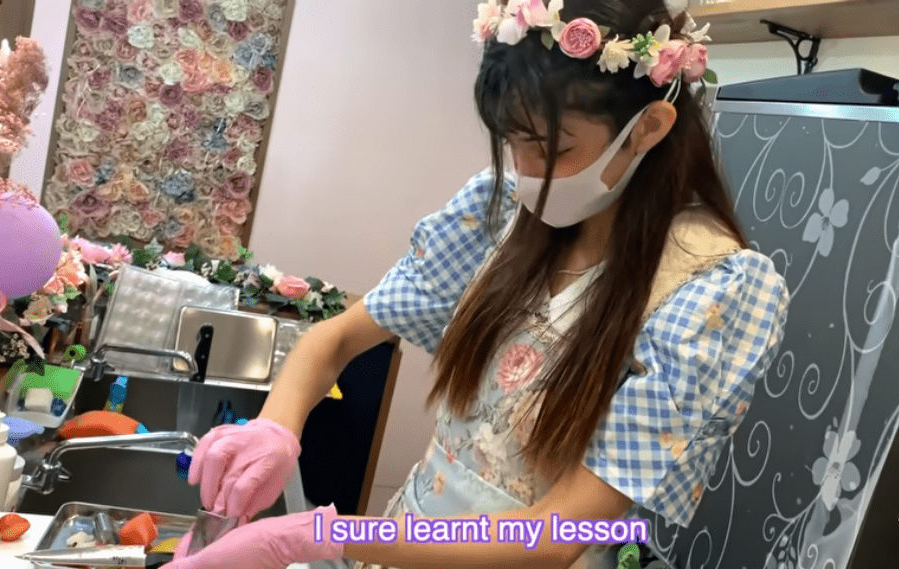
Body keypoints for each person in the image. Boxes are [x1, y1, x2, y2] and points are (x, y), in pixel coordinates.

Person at [165, 0, 790, 567]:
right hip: (403, 543)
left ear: (649, 127)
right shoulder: (497, 212)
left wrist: (317, 536)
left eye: (554, 149)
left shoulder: (714, 289)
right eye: (513, 143)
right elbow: (335, 339)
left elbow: (556, 536)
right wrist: (275, 429)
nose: (527, 171)